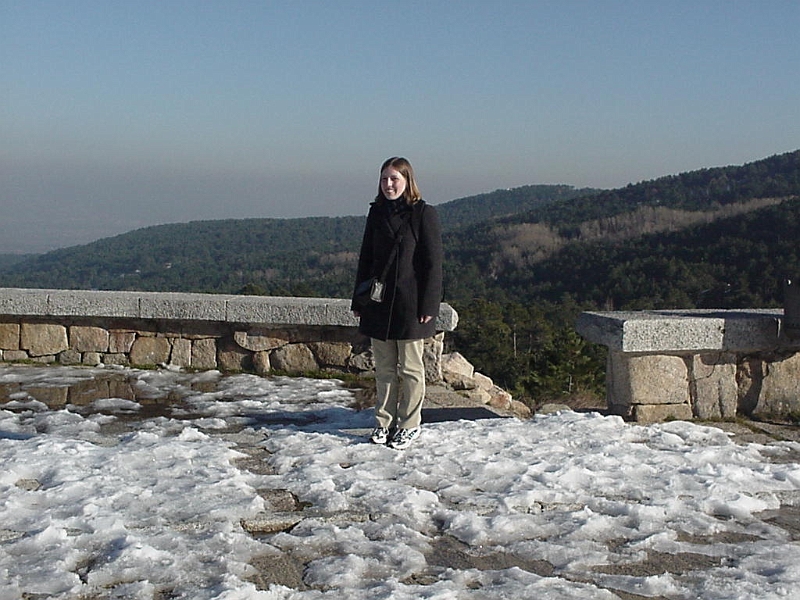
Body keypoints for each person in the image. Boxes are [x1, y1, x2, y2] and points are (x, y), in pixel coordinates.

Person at [351, 157, 443, 450]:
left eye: (394, 179)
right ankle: (384, 422)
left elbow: (433, 264)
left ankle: (409, 424)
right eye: (384, 179)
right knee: (385, 368)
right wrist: (358, 299)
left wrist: (429, 306)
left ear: (407, 181)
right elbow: (366, 258)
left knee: (412, 369)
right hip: (378, 302)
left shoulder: (423, 214)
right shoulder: (376, 213)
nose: (389, 185)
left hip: (410, 303)